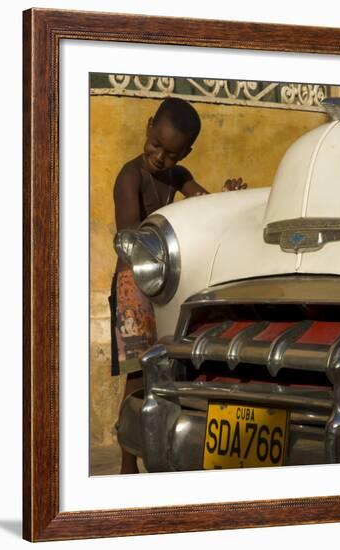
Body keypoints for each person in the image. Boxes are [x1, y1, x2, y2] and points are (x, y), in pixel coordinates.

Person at [109, 97, 247, 473]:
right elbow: (132, 237)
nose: (159, 158)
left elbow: (201, 202)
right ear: (149, 126)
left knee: (164, 367)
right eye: (156, 146)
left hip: (165, 286)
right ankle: (126, 461)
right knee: (138, 374)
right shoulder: (130, 177)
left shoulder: (178, 175)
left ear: (186, 151)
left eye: (171, 154)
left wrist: (224, 196)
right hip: (134, 286)